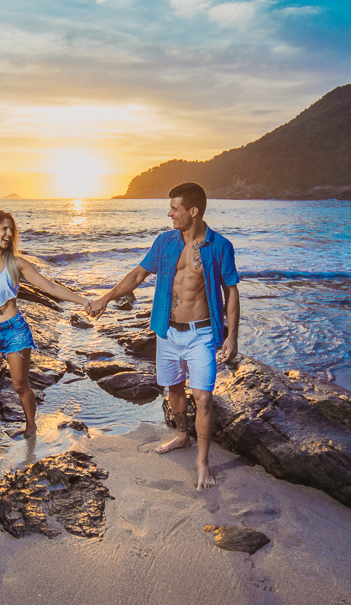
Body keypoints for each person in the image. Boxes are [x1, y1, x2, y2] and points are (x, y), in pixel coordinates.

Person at [90, 182, 240, 490]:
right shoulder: (165, 242)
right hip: (168, 331)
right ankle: (182, 435)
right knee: (174, 388)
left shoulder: (220, 246)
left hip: (201, 334)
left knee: (203, 397)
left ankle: (202, 462)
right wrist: (106, 297)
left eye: (175, 208)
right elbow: (138, 274)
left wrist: (232, 336)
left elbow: (231, 291)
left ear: (193, 211)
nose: (169, 214)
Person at [0, 210, 92, 471]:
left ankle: (31, 424)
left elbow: (50, 287)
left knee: (20, 386)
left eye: (11, 229)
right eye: (3, 228)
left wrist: (83, 301)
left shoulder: (17, 264)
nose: (9, 233)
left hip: (15, 331)